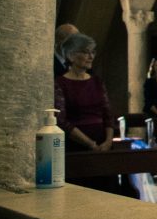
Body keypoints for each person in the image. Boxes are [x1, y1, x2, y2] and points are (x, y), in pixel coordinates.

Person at [54, 33, 135, 196]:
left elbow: (108, 114)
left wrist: (108, 141)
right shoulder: (60, 83)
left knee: (107, 192)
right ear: (71, 55)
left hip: (103, 146)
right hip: (77, 148)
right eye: (85, 52)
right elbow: (62, 121)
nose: (91, 56)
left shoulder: (96, 81)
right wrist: (90, 144)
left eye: (93, 52)